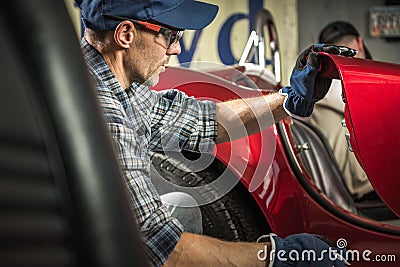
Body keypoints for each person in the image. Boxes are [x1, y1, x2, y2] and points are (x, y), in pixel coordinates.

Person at [75, 0, 350, 266]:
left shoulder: (116, 86)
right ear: (125, 34)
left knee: (180, 205)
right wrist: (277, 256)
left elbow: (207, 120)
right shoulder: (101, 112)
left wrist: (290, 100)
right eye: (170, 35)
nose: (177, 49)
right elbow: (162, 252)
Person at [309, 21, 375, 200]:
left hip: (340, 193)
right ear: (359, 43)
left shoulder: (313, 92)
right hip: (370, 188)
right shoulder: (365, 86)